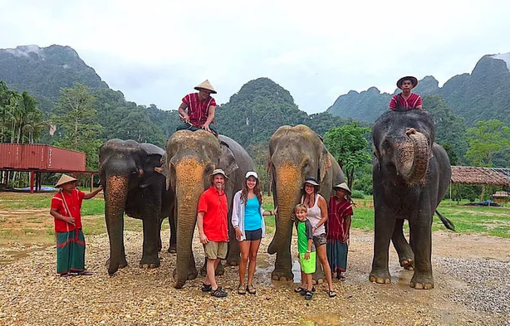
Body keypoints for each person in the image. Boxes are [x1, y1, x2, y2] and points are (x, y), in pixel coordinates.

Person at [50, 174, 103, 277]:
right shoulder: (57, 198)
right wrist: (65, 218)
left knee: (79, 247)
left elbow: (86, 196)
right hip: (63, 228)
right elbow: (52, 211)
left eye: (72, 183)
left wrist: (98, 190)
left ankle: (79, 269)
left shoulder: (77, 193)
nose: (71, 185)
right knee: (64, 248)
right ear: (62, 186)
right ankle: (64, 271)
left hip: (76, 226)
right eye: (68, 183)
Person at [232, 171, 275, 295]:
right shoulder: (239, 195)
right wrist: (236, 227)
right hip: (244, 229)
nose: (251, 182)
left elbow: (259, 210)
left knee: (254, 256)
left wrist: (272, 213)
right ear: (246, 181)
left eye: (253, 180)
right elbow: (235, 213)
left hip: (257, 228)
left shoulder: (258, 194)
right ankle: (241, 283)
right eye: (249, 180)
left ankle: (249, 283)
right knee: (244, 257)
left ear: (256, 182)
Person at [301, 177, 337, 298]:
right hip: (306, 235)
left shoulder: (320, 199)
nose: (309, 188)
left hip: (318, 233)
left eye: (311, 186)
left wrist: (316, 226)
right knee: (305, 259)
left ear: (315, 188)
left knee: (323, 259)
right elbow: (301, 212)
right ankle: (305, 285)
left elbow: (325, 216)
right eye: (307, 186)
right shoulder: (303, 199)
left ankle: (330, 286)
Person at [197, 168, 229, 298]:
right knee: (211, 259)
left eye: (221, 178)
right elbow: (200, 215)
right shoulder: (206, 195)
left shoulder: (223, 195)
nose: (219, 180)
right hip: (210, 233)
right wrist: (201, 233)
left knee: (218, 257)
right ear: (212, 180)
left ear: (224, 181)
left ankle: (206, 283)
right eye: (217, 178)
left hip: (222, 233)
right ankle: (214, 287)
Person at [327, 183, 354, 281]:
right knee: (330, 251)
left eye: (342, 191)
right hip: (330, 231)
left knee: (341, 252)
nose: (339, 193)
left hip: (340, 231)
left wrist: (346, 233)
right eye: (338, 190)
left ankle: (339, 272)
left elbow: (348, 220)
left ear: (345, 194)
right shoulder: (330, 200)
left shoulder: (347, 205)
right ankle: (330, 271)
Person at [293, 203, 316, 300]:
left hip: (308, 251)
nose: (299, 214)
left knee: (308, 271)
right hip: (302, 250)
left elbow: (310, 239)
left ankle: (310, 289)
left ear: (306, 213)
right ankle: (304, 285)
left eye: (301, 212)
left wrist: (308, 251)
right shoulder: (299, 223)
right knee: (303, 269)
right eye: (297, 213)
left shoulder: (307, 224)